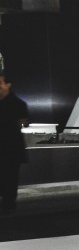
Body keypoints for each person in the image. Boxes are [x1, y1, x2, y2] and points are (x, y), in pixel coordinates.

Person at [0, 72, 30, 215]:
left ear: (8, 85)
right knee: (8, 175)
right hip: (10, 146)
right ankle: (8, 202)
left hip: (11, 147)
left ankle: (8, 203)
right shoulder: (18, 103)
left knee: (10, 175)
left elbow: (25, 122)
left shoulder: (18, 104)